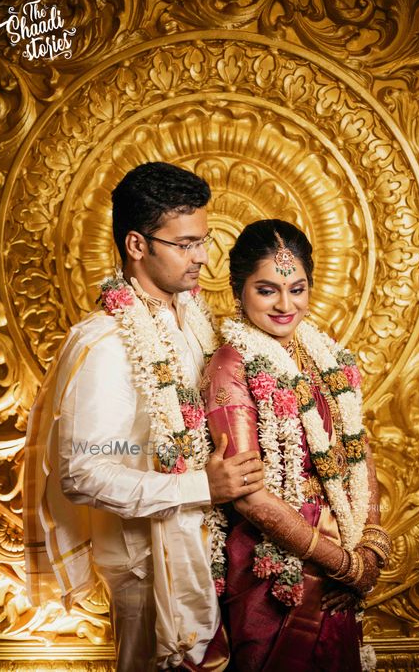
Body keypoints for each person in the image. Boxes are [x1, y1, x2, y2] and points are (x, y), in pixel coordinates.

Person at [23, 162, 264, 672]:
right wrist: (202, 487)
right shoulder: (106, 343)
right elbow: (83, 473)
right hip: (147, 570)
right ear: (137, 244)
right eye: (185, 244)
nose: (203, 257)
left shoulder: (193, 320)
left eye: (203, 240)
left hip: (213, 553)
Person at [203, 219, 391, 672]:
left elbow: (357, 447)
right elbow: (248, 494)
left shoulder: (324, 354)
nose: (286, 305)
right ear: (238, 290)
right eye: (267, 290)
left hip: (343, 536)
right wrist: (341, 564)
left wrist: (368, 545)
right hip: (274, 559)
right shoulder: (231, 365)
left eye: (297, 289)